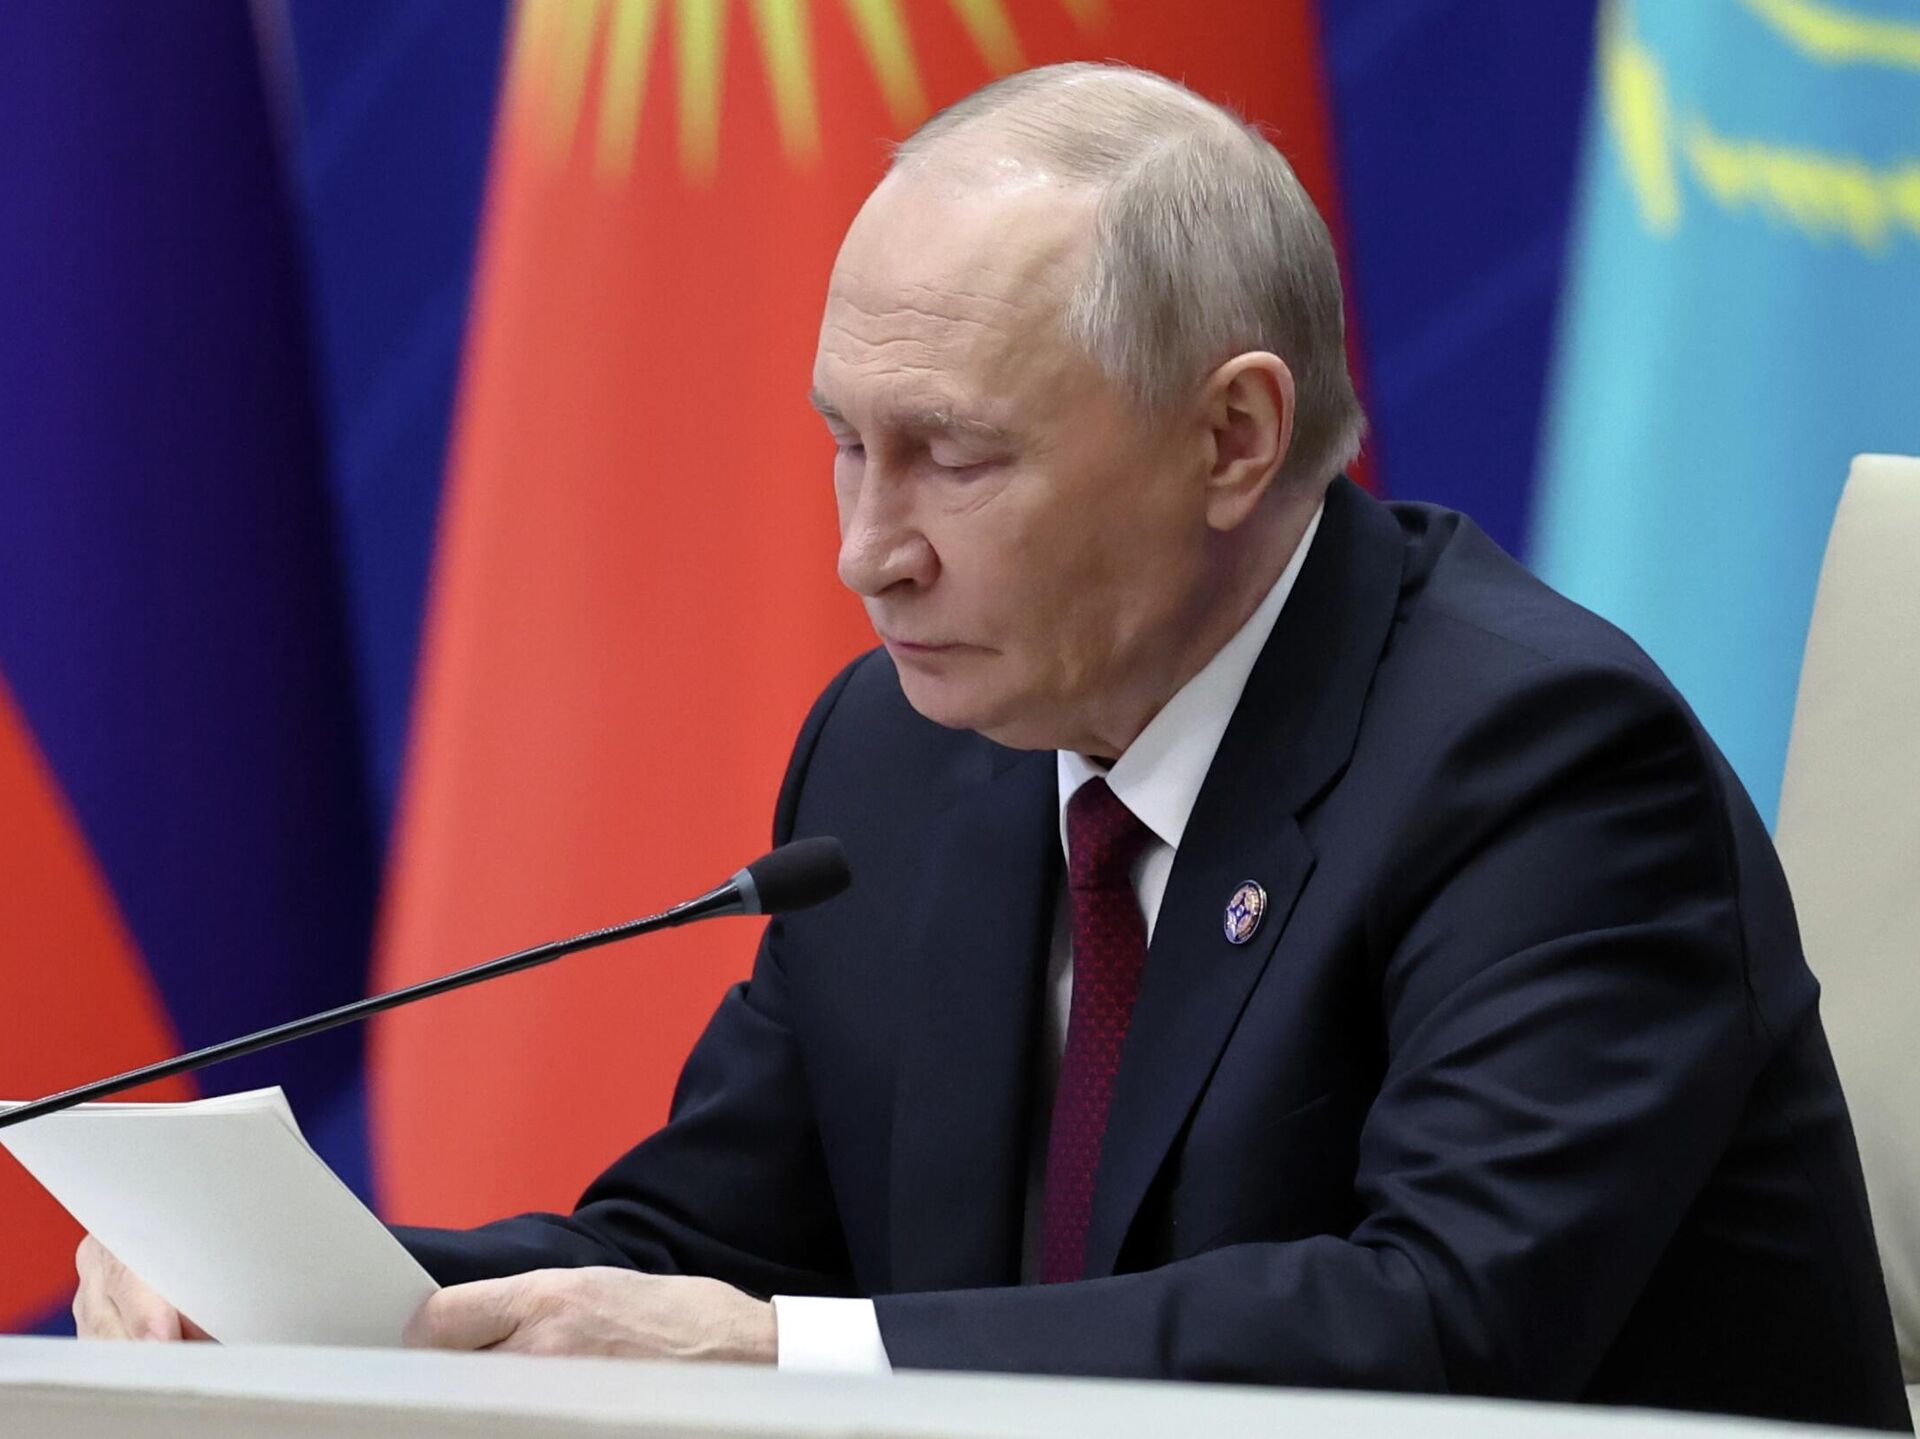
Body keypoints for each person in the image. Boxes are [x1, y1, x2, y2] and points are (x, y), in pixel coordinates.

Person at [75, 62, 1911, 1429]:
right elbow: (707, 1252)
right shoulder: (905, 752)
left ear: (1233, 439)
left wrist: (779, 1355)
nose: (868, 551)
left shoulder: (1537, 762)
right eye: (844, 444)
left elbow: (1438, 1331)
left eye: (955, 457)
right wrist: (311, 1296)